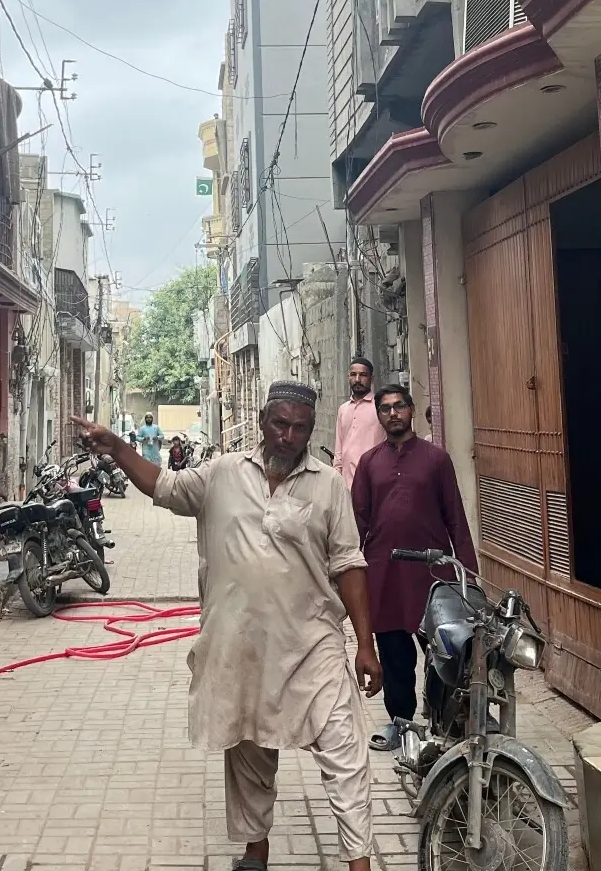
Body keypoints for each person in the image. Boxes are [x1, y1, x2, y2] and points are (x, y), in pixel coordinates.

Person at [71, 383, 383, 871]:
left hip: (313, 644)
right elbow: (163, 486)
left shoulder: (328, 485)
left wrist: (366, 645)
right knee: (249, 748)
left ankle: (359, 860)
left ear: (310, 431)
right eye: (280, 424)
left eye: (300, 428)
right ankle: (255, 850)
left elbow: (349, 564)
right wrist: (117, 449)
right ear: (262, 422)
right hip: (242, 644)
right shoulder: (222, 473)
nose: (288, 436)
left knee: (345, 750)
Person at [351, 385, 478, 751]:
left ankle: (449, 725)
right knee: (395, 656)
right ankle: (401, 724)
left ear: (410, 410)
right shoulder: (369, 463)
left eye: (399, 406)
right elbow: (356, 521)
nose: (393, 413)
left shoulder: (436, 460)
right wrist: (348, 572)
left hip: (432, 575)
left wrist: (468, 577)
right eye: (385, 408)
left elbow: (456, 518)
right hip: (385, 575)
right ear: (379, 416)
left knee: (447, 651)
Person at [333, 358, 384, 487]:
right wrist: (336, 476)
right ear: (348, 378)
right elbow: (339, 449)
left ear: (371, 379)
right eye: (353, 374)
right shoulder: (343, 409)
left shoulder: (380, 407)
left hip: (374, 480)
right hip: (346, 484)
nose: (357, 379)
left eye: (363, 375)